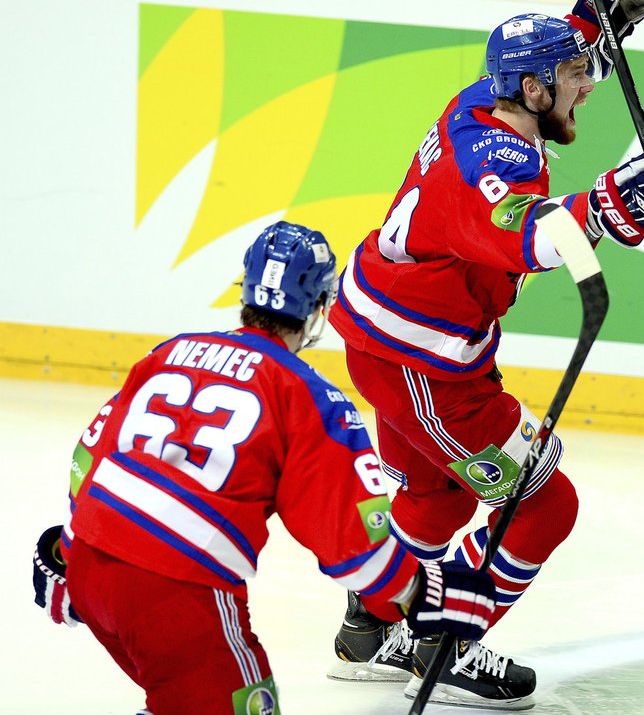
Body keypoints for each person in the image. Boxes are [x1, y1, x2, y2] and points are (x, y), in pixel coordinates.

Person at [324, 0, 644, 709]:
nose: (586, 86)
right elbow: (516, 230)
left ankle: (371, 629)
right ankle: (443, 643)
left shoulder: (484, 99)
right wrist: (607, 210)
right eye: (574, 74)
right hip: (429, 367)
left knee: (436, 498)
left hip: (385, 342)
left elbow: (540, 82)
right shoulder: (491, 158)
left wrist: (596, 25)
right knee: (543, 501)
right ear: (532, 89)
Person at [31, 220, 498, 715]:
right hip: (178, 593)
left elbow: (89, 455)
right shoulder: (310, 398)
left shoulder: (167, 353)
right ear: (320, 307)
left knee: (181, 698)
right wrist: (427, 593)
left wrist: (71, 551)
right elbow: (352, 551)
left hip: (91, 568)